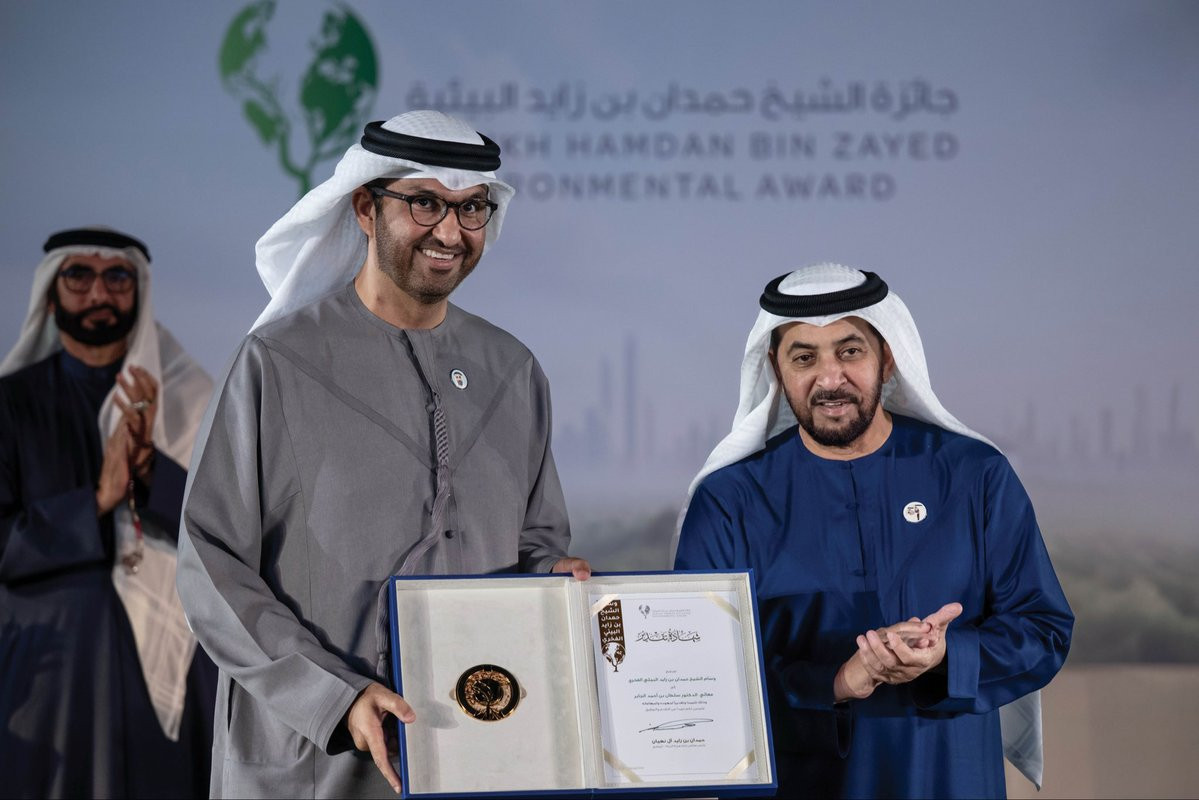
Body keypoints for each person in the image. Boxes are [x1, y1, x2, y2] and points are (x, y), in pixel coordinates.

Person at [176, 110, 591, 798]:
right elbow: (209, 562)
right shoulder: (276, 361)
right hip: (313, 756)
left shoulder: (511, 370)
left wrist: (554, 574)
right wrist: (331, 697)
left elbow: (535, 543)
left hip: (476, 744)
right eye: (425, 203)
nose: (450, 232)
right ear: (366, 209)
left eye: (471, 208)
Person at [673, 263, 1073, 799]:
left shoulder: (974, 475)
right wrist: (841, 680)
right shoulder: (729, 500)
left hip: (948, 779)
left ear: (887, 358)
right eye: (804, 358)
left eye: (850, 351)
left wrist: (947, 656)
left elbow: (1044, 630)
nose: (829, 379)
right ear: (776, 369)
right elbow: (701, 677)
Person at [0, 227, 217, 798]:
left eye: (117, 277)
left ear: (138, 292)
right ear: (51, 296)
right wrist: (96, 499)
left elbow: (225, 528)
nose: (99, 292)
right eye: (79, 276)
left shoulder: (188, 398)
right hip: (52, 673)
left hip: (170, 664)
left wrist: (149, 470)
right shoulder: (10, 403)